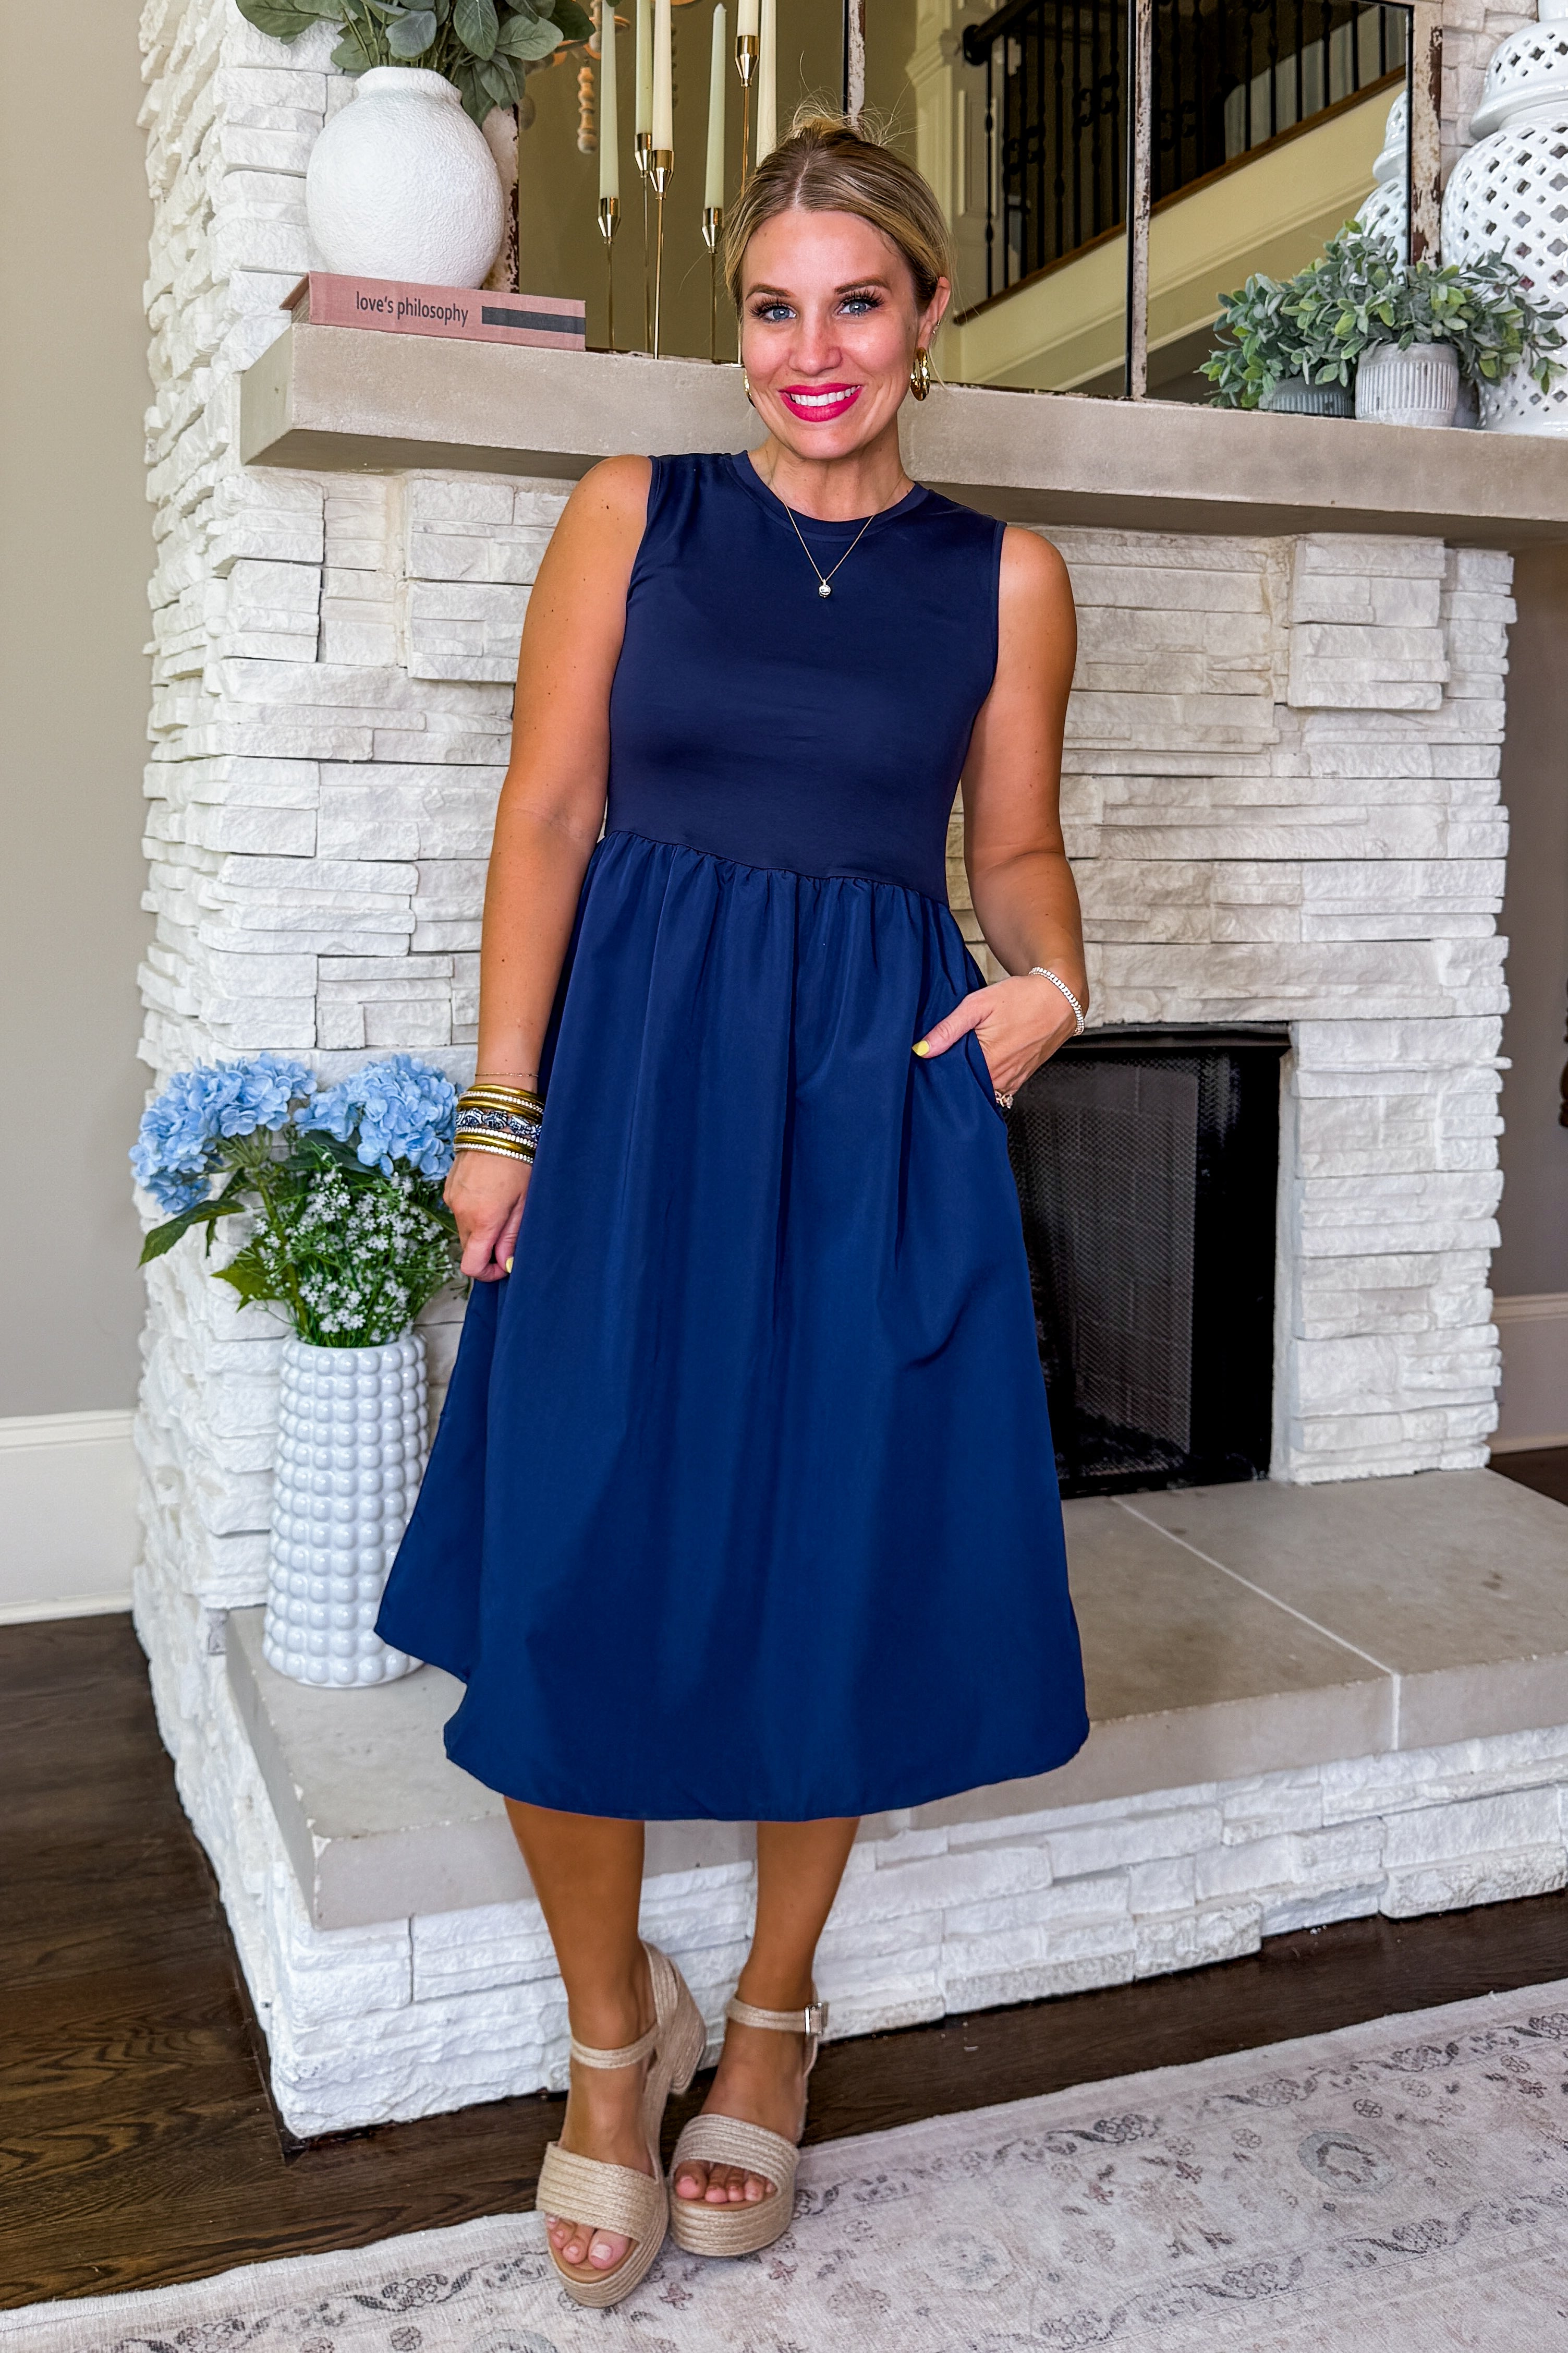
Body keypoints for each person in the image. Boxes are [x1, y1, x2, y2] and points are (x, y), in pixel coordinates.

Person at [376, 112, 1089, 2310]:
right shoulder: (635, 514)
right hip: (632, 1094)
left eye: (855, 303)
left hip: (870, 1106)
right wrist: (503, 1113)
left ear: (927, 315)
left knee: (826, 1560)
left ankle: (771, 2016)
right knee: (571, 1567)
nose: (812, 350)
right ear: (737, 327)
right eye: (773, 309)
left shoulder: (1005, 580)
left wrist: (1054, 983)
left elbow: (1014, 852)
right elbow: (546, 817)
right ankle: (615, 2042)